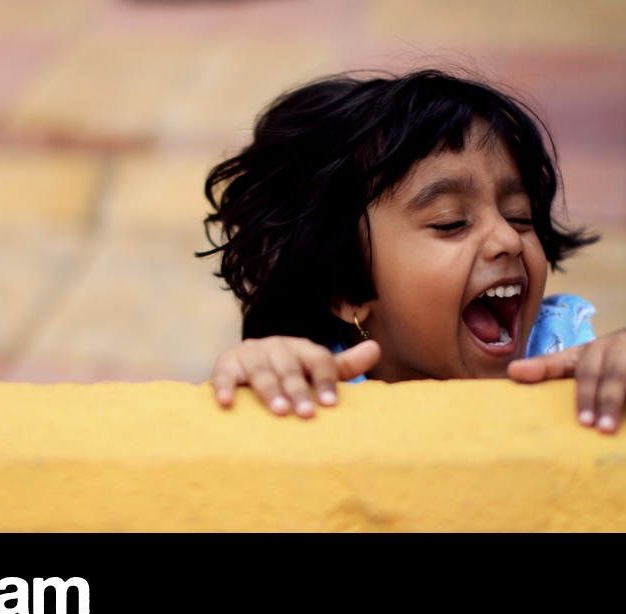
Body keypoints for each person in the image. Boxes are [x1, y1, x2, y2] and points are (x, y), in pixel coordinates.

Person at [197, 69, 626, 432]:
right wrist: (262, 373)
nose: (508, 240)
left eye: (519, 216)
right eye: (451, 222)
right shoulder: (317, 385)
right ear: (346, 290)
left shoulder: (562, 353)